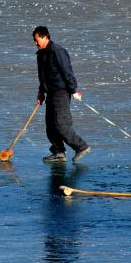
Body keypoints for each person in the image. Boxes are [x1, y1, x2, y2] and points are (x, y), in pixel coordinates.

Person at [33, 25, 90, 163]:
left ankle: (81, 147)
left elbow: (67, 71)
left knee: (61, 124)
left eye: (37, 40)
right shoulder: (41, 54)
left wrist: (73, 90)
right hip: (50, 93)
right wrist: (41, 92)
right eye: (34, 41)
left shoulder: (57, 51)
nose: (35, 43)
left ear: (45, 37)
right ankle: (59, 152)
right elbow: (43, 76)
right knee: (51, 125)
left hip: (61, 92)